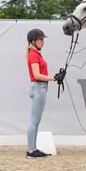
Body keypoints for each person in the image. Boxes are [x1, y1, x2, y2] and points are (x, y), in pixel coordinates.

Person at [26, 29, 65, 158]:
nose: (43, 42)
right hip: (38, 87)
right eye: (41, 39)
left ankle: (33, 148)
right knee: (34, 121)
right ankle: (31, 150)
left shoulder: (36, 54)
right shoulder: (33, 55)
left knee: (36, 121)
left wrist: (55, 76)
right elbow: (37, 75)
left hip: (40, 87)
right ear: (33, 41)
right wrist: (54, 78)